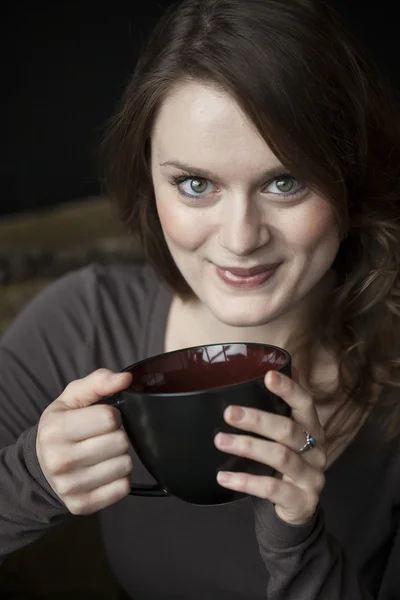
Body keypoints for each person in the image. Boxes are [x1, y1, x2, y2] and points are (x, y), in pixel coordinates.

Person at [1, 0, 399, 598]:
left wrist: (298, 539)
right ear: (150, 183)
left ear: (351, 181)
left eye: (284, 182)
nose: (241, 239)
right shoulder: (85, 323)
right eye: (196, 184)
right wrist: (31, 479)